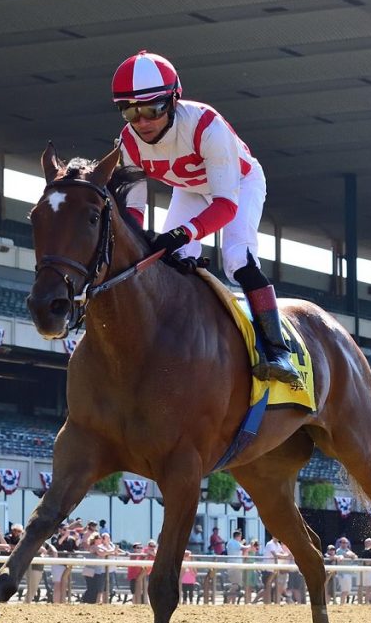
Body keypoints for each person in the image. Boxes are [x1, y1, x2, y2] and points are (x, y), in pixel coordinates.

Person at [111, 50, 301, 384]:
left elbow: (226, 206)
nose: (142, 122)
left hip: (238, 185)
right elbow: (132, 210)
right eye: (130, 111)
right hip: (192, 188)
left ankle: (278, 352)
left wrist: (185, 232)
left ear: (173, 100)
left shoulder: (205, 125)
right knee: (167, 260)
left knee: (237, 259)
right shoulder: (128, 141)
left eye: (152, 109)